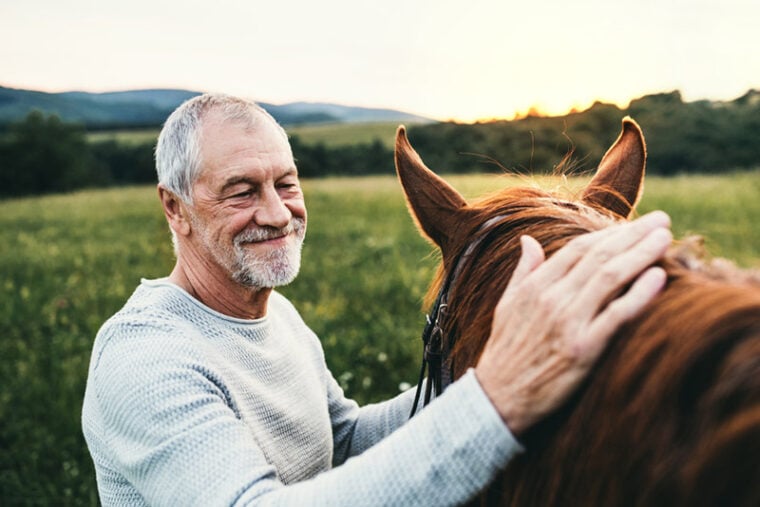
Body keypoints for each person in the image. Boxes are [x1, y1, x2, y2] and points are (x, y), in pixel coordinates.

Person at [81, 93, 672, 506]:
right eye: (240, 192)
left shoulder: (275, 317)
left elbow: (341, 444)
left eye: (285, 183)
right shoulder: (147, 361)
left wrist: (474, 371)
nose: (276, 212)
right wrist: (496, 399)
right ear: (174, 207)